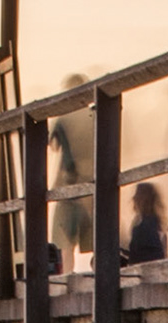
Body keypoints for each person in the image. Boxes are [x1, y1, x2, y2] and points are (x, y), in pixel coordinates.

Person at [49, 75, 94, 271]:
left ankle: (66, 277)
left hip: (69, 184)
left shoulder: (63, 119)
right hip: (92, 183)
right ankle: (99, 275)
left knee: (65, 243)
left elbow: (53, 144)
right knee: (95, 237)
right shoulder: (94, 116)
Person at [126, 183, 167, 265]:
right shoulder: (150, 223)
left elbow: (149, 255)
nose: (134, 198)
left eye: (137, 195)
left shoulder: (148, 224)